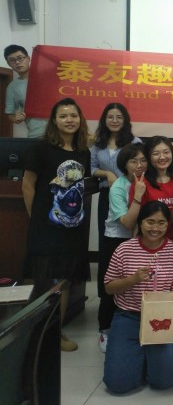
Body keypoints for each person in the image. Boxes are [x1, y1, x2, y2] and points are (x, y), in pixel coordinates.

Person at [22, 97, 91, 352]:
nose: (69, 120)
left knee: (65, 280)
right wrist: (36, 218)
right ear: (54, 120)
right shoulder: (41, 149)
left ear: (80, 119)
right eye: (63, 116)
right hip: (45, 228)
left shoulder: (83, 151)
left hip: (73, 228)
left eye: (73, 115)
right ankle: (34, 334)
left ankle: (54, 333)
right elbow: (27, 184)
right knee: (45, 281)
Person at [103, 201, 173, 394]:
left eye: (161, 223)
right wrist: (133, 279)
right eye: (150, 222)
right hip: (128, 316)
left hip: (163, 317)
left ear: (167, 225)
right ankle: (138, 358)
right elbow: (108, 287)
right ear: (140, 223)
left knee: (165, 380)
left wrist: (160, 312)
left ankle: (148, 358)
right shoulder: (124, 249)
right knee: (118, 384)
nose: (155, 228)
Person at [98, 142, 147, 353]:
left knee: (137, 284)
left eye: (143, 160)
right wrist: (137, 196)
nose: (139, 165)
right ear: (124, 164)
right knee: (112, 287)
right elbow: (127, 223)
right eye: (133, 161)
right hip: (117, 240)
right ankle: (105, 330)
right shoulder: (118, 186)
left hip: (141, 241)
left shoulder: (148, 181)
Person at [91, 103, 141, 290]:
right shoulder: (99, 143)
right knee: (107, 242)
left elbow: (141, 167)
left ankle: (130, 288)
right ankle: (106, 291)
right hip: (107, 196)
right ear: (104, 120)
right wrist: (106, 174)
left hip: (131, 195)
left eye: (119, 117)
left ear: (125, 120)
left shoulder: (134, 142)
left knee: (129, 239)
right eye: (110, 117)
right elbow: (91, 167)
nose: (114, 120)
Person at [129, 136, 173, 241]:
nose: (162, 157)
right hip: (149, 242)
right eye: (156, 153)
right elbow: (133, 222)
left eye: (166, 152)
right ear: (148, 157)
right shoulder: (140, 183)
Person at [3, 44, 46, 138]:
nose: (17, 62)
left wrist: (43, 52)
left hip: (61, 132)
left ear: (28, 59)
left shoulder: (47, 77)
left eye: (20, 58)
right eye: (12, 60)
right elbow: (10, 113)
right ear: (8, 63)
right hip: (36, 135)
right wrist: (16, 118)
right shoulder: (12, 87)